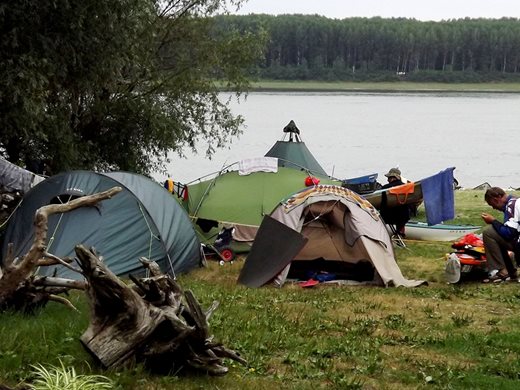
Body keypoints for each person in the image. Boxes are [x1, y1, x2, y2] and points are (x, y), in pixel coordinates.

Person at [481, 187, 520, 282]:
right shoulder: (515, 201)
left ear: (496, 199)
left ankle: (502, 271)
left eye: (492, 204)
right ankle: (509, 271)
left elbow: (509, 233)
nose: (493, 208)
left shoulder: (512, 205)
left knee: (489, 232)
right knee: (497, 233)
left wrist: (493, 221)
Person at [379, 167, 411, 237]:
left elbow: (382, 203)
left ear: (393, 178)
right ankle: (400, 233)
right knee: (402, 212)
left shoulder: (385, 188)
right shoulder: (406, 187)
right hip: (404, 217)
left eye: (389, 178)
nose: (387, 180)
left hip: (388, 217)